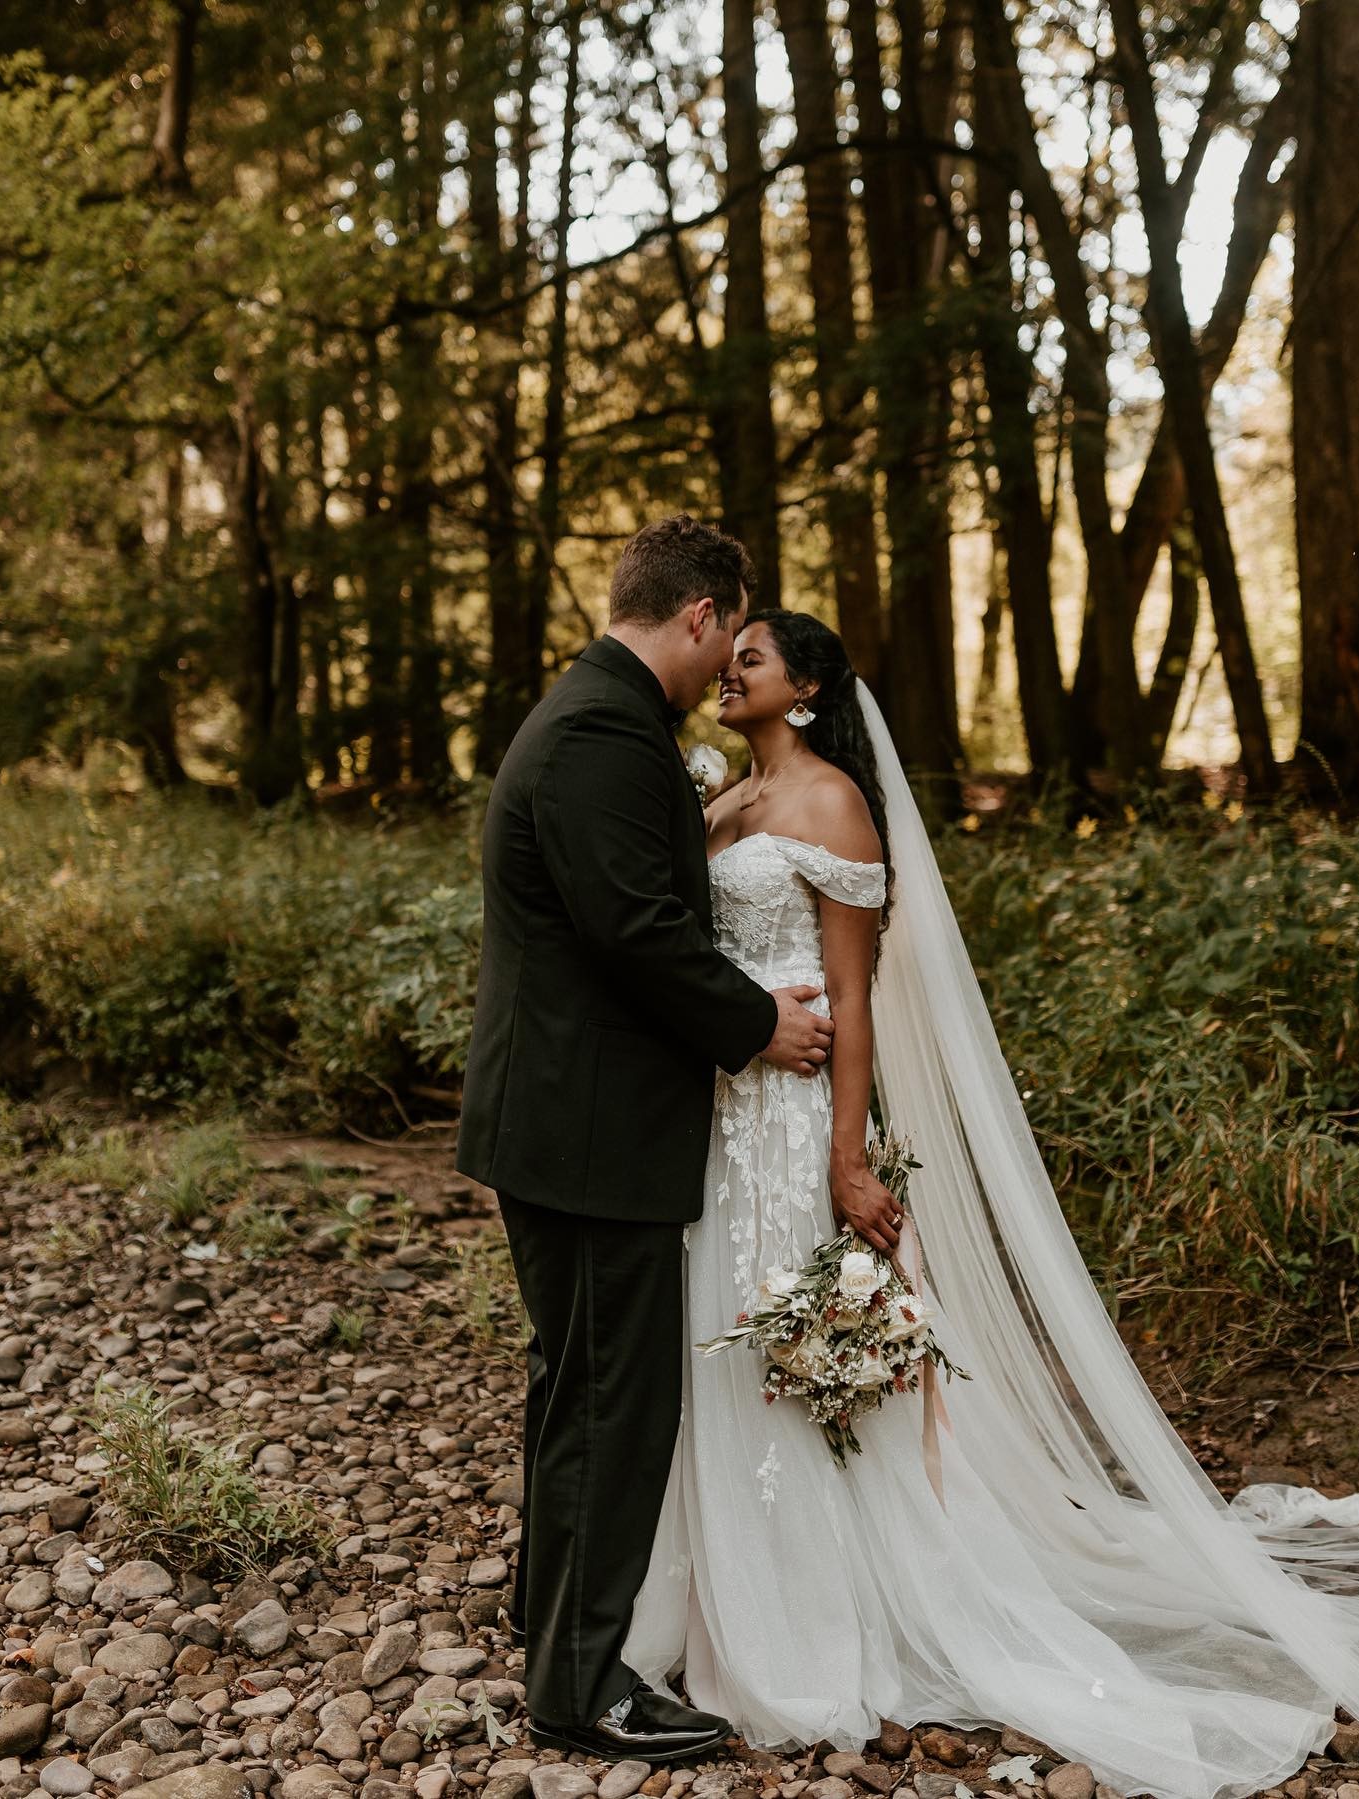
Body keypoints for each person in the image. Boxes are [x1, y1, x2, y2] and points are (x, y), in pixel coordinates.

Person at [621, 609, 1359, 1799]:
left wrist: (847, 1160)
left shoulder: (833, 802)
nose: (729, 671)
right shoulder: (722, 799)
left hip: (794, 1123)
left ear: (811, 684)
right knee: (719, 1345)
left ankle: (825, 1616)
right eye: (726, 658)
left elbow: (852, 995)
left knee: (797, 1346)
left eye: (753, 660)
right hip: (721, 1121)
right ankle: (723, 1598)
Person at [455, 518, 838, 1763]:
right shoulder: (605, 736)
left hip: (566, 1115)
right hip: (589, 1123)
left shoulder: (592, 716)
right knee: (617, 1399)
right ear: (700, 613)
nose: (728, 659)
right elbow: (637, 932)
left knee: (579, 1384)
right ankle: (580, 1688)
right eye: (729, 631)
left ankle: (550, 1621)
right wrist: (757, 1024)